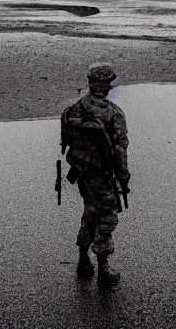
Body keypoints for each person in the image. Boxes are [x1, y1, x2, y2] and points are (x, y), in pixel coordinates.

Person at [60, 62, 130, 287]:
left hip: (82, 172)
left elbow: (67, 140)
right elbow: (120, 148)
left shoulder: (74, 109)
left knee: (90, 211)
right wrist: (124, 175)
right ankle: (103, 270)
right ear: (108, 84)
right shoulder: (113, 113)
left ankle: (83, 261)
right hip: (101, 173)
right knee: (107, 217)